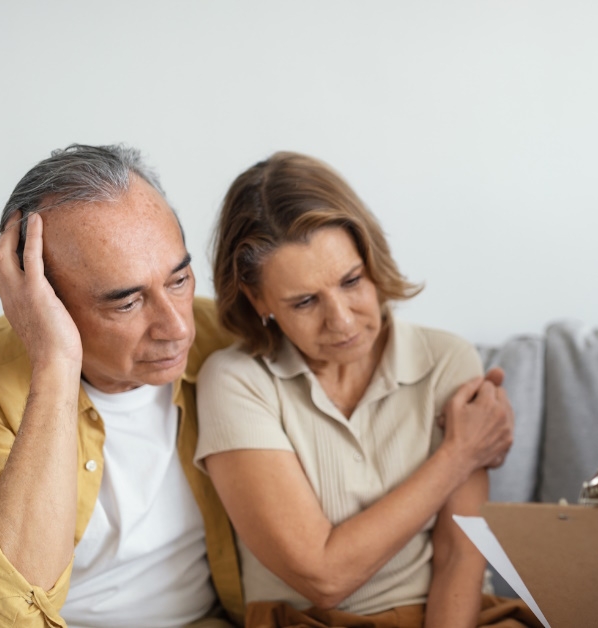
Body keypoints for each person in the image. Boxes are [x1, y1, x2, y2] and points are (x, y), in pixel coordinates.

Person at [0, 144, 249, 627]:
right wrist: (54, 365)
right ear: (40, 297)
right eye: (126, 304)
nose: (176, 327)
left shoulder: (226, 336)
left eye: (179, 279)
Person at [195, 152, 538, 628]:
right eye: (306, 301)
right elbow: (324, 576)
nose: (342, 320)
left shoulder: (447, 360)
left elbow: (459, 555)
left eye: (351, 280)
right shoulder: (236, 381)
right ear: (258, 300)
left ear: (371, 258)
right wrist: (459, 454)